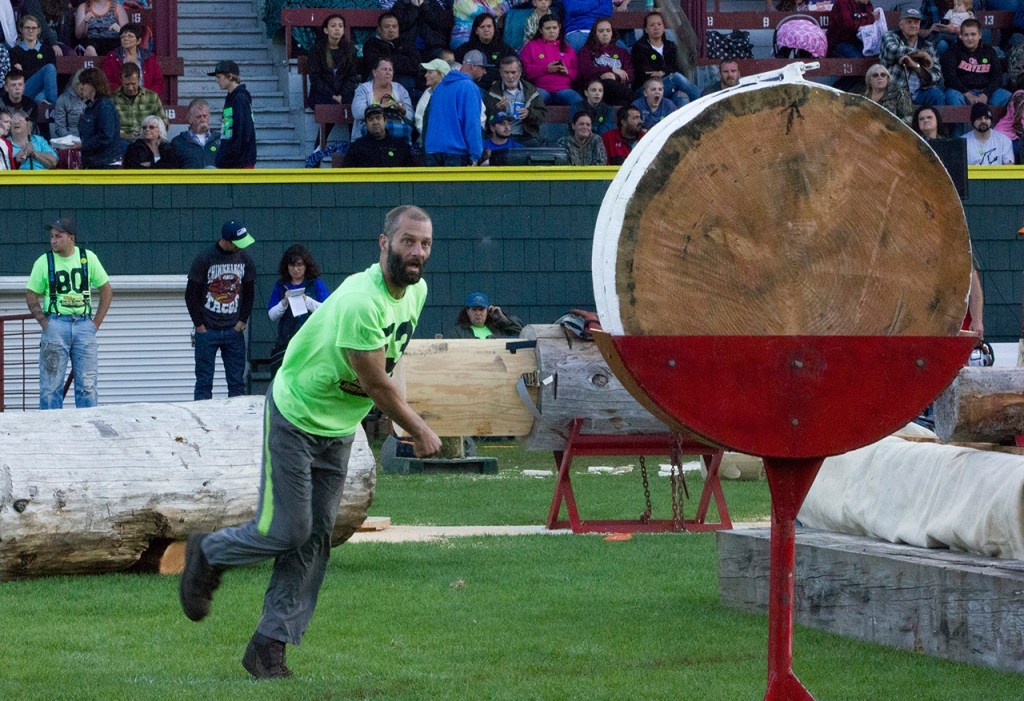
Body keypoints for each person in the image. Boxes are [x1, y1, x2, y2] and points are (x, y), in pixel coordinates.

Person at [178, 205, 441, 681]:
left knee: (316, 539)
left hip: (338, 427)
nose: (417, 252)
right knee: (286, 530)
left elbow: (391, 360)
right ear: (384, 243)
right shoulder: (364, 299)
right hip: (296, 415)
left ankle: (269, 647)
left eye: (424, 243)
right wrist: (418, 428)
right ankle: (209, 552)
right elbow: (377, 383)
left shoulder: (416, 292)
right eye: (407, 241)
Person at [24, 217, 113, 409]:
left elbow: (106, 289)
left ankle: (88, 433)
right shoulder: (44, 261)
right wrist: (45, 323)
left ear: (71, 238)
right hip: (56, 324)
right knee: (50, 387)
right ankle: (52, 434)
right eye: (52, 236)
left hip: (84, 324)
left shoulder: (88, 258)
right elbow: (31, 294)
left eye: (58, 236)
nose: (53, 240)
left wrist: (95, 324)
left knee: (87, 386)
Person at [185, 220, 257, 400]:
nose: (240, 248)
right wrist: (200, 325)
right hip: (207, 331)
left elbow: (249, 292)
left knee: (236, 384)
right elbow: (190, 295)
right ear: (226, 241)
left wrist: (241, 322)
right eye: (237, 243)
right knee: (203, 383)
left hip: (233, 331)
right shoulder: (205, 259)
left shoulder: (245, 259)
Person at [266, 244, 331, 375]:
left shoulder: (316, 283)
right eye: (292, 266)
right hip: (286, 341)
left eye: (299, 265)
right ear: (287, 267)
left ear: (306, 266)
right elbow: (272, 315)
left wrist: (307, 301)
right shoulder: (281, 285)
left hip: (311, 340)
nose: (296, 269)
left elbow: (327, 310)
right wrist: (284, 302)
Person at [306, 14, 359, 149]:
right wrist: (332, 95)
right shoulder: (316, 50)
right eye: (333, 26)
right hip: (321, 94)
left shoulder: (350, 50)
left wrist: (342, 94)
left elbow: (351, 77)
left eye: (340, 26)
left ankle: (354, 147)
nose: (337, 29)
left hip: (344, 94)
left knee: (354, 108)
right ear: (326, 30)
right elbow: (315, 78)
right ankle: (317, 151)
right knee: (331, 106)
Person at [630, 12, 700, 108]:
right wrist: (667, 71)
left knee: (682, 98)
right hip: (645, 89)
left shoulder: (670, 46)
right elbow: (646, 71)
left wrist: (662, 72)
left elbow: (677, 68)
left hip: (668, 88)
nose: (656, 27)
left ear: (663, 27)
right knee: (675, 78)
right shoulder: (639, 47)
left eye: (659, 24)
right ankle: (707, 101)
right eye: (652, 25)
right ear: (646, 29)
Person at [424, 57, 485, 165]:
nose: (485, 72)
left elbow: (427, 121)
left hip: (431, 149)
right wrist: (476, 154)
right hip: (456, 152)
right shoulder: (469, 87)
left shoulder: (439, 88)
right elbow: (472, 123)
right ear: (474, 67)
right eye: (483, 68)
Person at [880, 8, 945, 107]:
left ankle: (937, 122)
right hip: (895, 93)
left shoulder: (927, 46)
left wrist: (915, 65)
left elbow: (936, 75)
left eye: (916, 22)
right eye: (909, 22)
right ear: (901, 25)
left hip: (920, 93)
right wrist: (921, 55)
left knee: (937, 95)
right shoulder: (891, 36)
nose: (913, 25)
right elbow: (893, 51)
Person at [941, 20, 1011, 108]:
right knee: (952, 96)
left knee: (1007, 96)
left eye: (973, 34)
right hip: (961, 92)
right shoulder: (953, 51)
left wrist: (986, 94)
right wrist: (967, 94)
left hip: (986, 92)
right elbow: (950, 77)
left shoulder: (989, 51)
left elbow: (997, 76)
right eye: (966, 35)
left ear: (980, 35)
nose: (970, 38)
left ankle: (990, 121)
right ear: (961, 36)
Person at [521, 15, 582, 106]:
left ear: (559, 28)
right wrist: (546, 69)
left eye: (554, 28)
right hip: (541, 88)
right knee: (532, 102)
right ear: (541, 30)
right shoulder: (531, 46)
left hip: (564, 89)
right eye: (548, 28)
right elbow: (524, 71)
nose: (552, 31)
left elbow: (577, 74)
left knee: (579, 102)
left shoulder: (567, 48)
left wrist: (567, 71)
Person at [484, 55, 546, 145]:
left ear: (520, 72)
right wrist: (496, 109)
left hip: (526, 136)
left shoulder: (531, 90)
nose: (510, 76)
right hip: (501, 138)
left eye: (513, 72)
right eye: (506, 72)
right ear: (501, 73)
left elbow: (542, 115)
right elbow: (486, 119)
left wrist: (528, 113)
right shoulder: (493, 91)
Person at [351, 57, 414, 141]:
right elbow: (357, 113)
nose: (388, 72)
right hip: (367, 138)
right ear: (374, 72)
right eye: (384, 69)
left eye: (390, 70)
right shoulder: (363, 89)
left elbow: (411, 117)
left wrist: (402, 110)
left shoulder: (400, 89)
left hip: (396, 137)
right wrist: (381, 106)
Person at [210, 59, 256, 168]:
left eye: (219, 77)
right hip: (235, 162)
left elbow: (243, 133)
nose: (217, 81)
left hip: (239, 164)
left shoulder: (239, 99)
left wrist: (228, 158)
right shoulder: (233, 98)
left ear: (230, 76)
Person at [577, 18, 634, 106]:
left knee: (624, 104)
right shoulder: (586, 51)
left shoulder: (622, 52)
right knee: (608, 82)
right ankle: (633, 98)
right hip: (595, 91)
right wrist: (612, 70)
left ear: (612, 33)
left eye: (608, 30)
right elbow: (586, 70)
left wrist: (614, 76)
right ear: (595, 34)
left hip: (616, 93)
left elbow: (630, 74)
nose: (605, 34)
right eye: (601, 31)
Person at [362, 12, 422, 96]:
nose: (391, 30)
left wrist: (389, 59)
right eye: (387, 27)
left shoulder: (406, 43)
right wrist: (401, 60)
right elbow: (375, 65)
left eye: (394, 26)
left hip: (406, 83)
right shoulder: (371, 44)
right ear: (379, 29)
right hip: (379, 84)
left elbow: (415, 64)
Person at [101, 23, 164, 99]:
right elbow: (107, 82)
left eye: (130, 36)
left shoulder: (149, 58)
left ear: (138, 41)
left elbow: (158, 82)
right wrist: (124, 94)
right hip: (121, 100)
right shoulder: (112, 57)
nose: (125, 38)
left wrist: (147, 96)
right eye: (123, 36)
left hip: (145, 100)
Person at [343, 102, 415, 166]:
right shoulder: (357, 147)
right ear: (366, 124)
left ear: (385, 121)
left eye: (378, 118)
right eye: (370, 119)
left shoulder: (400, 146)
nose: (375, 122)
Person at [454, 14, 516, 88]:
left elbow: (516, 69)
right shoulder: (466, 49)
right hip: (473, 87)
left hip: (499, 87)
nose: (486, 29)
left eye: (489, 26)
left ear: (494, 29)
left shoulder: (505, 49)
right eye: (482, 27)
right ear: (476, 31)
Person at [76, 66, 120, 168]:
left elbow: (106, 135)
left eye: (84, 83)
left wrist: (83, 145)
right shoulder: (92, 106)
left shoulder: (104, 105)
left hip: (105, 163)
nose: (81, 87)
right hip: (94, 161)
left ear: (94, 85)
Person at [113, 62, 167, 144]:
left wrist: (149, 133)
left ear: (139, 79)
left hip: (146, 140)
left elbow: (163, 123)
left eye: (133, 84)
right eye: (127, 84)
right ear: (121, 80)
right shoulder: (111, 99)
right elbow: (106, 127)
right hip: (120, 141)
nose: (130, 88)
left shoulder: (152, 97)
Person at [10, 13, 56, 105]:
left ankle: (42, 101)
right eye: (27, 28)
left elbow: (52, 78)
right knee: (49, 68)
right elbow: (16, 77)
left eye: (34, 28)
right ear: (21, 29)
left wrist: (24, 70)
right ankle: (53, 105)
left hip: (44, 89)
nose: (31, 31)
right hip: (25, 89)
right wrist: (41, 74)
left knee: (40, 97)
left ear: (39, 30)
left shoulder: (48, 50)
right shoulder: (14, 52)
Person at [448, 291, 524, 338]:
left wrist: (503, 319)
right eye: (474, 309)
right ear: (467, 311)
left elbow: (521, 334)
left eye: (481, 309)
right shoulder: (457, 332)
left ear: (487, 310)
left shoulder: (498, 329)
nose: (478, 313)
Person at [171, 98, 220, 169]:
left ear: (209, 117)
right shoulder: (178, 142)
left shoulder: (220, 140)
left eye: (205, 116)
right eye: (198, 117)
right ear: (190, 119)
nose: (202, 119)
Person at [414, 57, 449, 145]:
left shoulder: (453, 93)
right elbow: (419, 118)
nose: (425, 75)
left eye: (430, 72)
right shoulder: (428, 92)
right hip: (429, 142)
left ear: (441, 75)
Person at [52, 68, 85, 138]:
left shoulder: (94, 99)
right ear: (76, 84)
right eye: (82, 89)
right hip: (71, 140)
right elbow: (60, 128)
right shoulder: (63, 99)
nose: (84, 92)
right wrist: (73, 139)